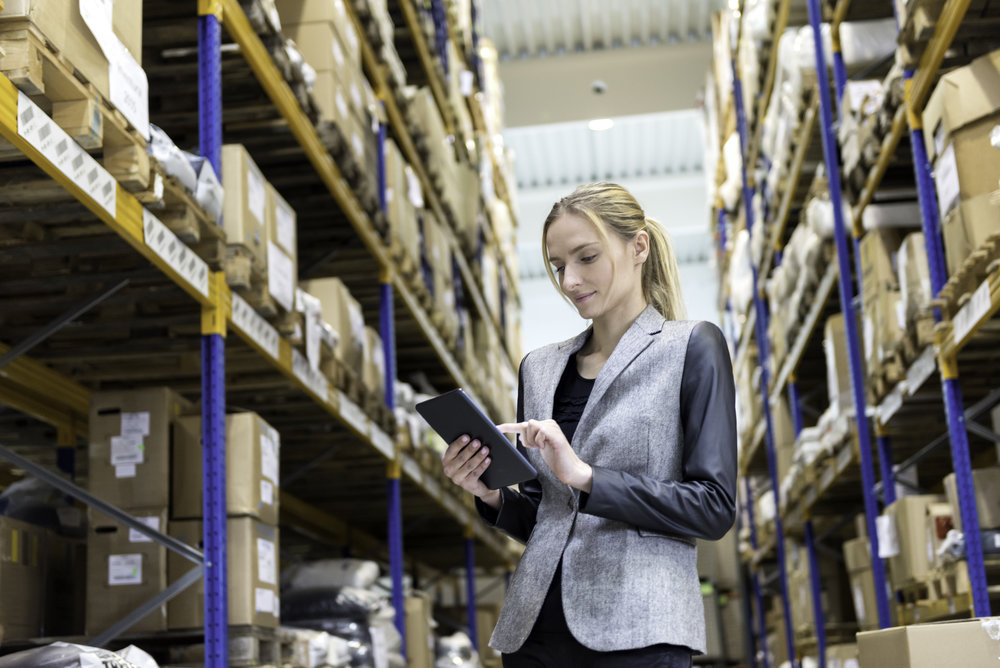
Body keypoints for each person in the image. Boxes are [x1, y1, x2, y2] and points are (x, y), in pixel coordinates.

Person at [442, 182, 737, 667]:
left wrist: (586, 476)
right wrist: (491, 493)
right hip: (534, 631)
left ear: (638, 246)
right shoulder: (538, 367)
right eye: (559, 266)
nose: (570, 281)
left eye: (586, 258)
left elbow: (713, 507)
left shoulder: (690, 348)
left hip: (640, 630)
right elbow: (547, 515)